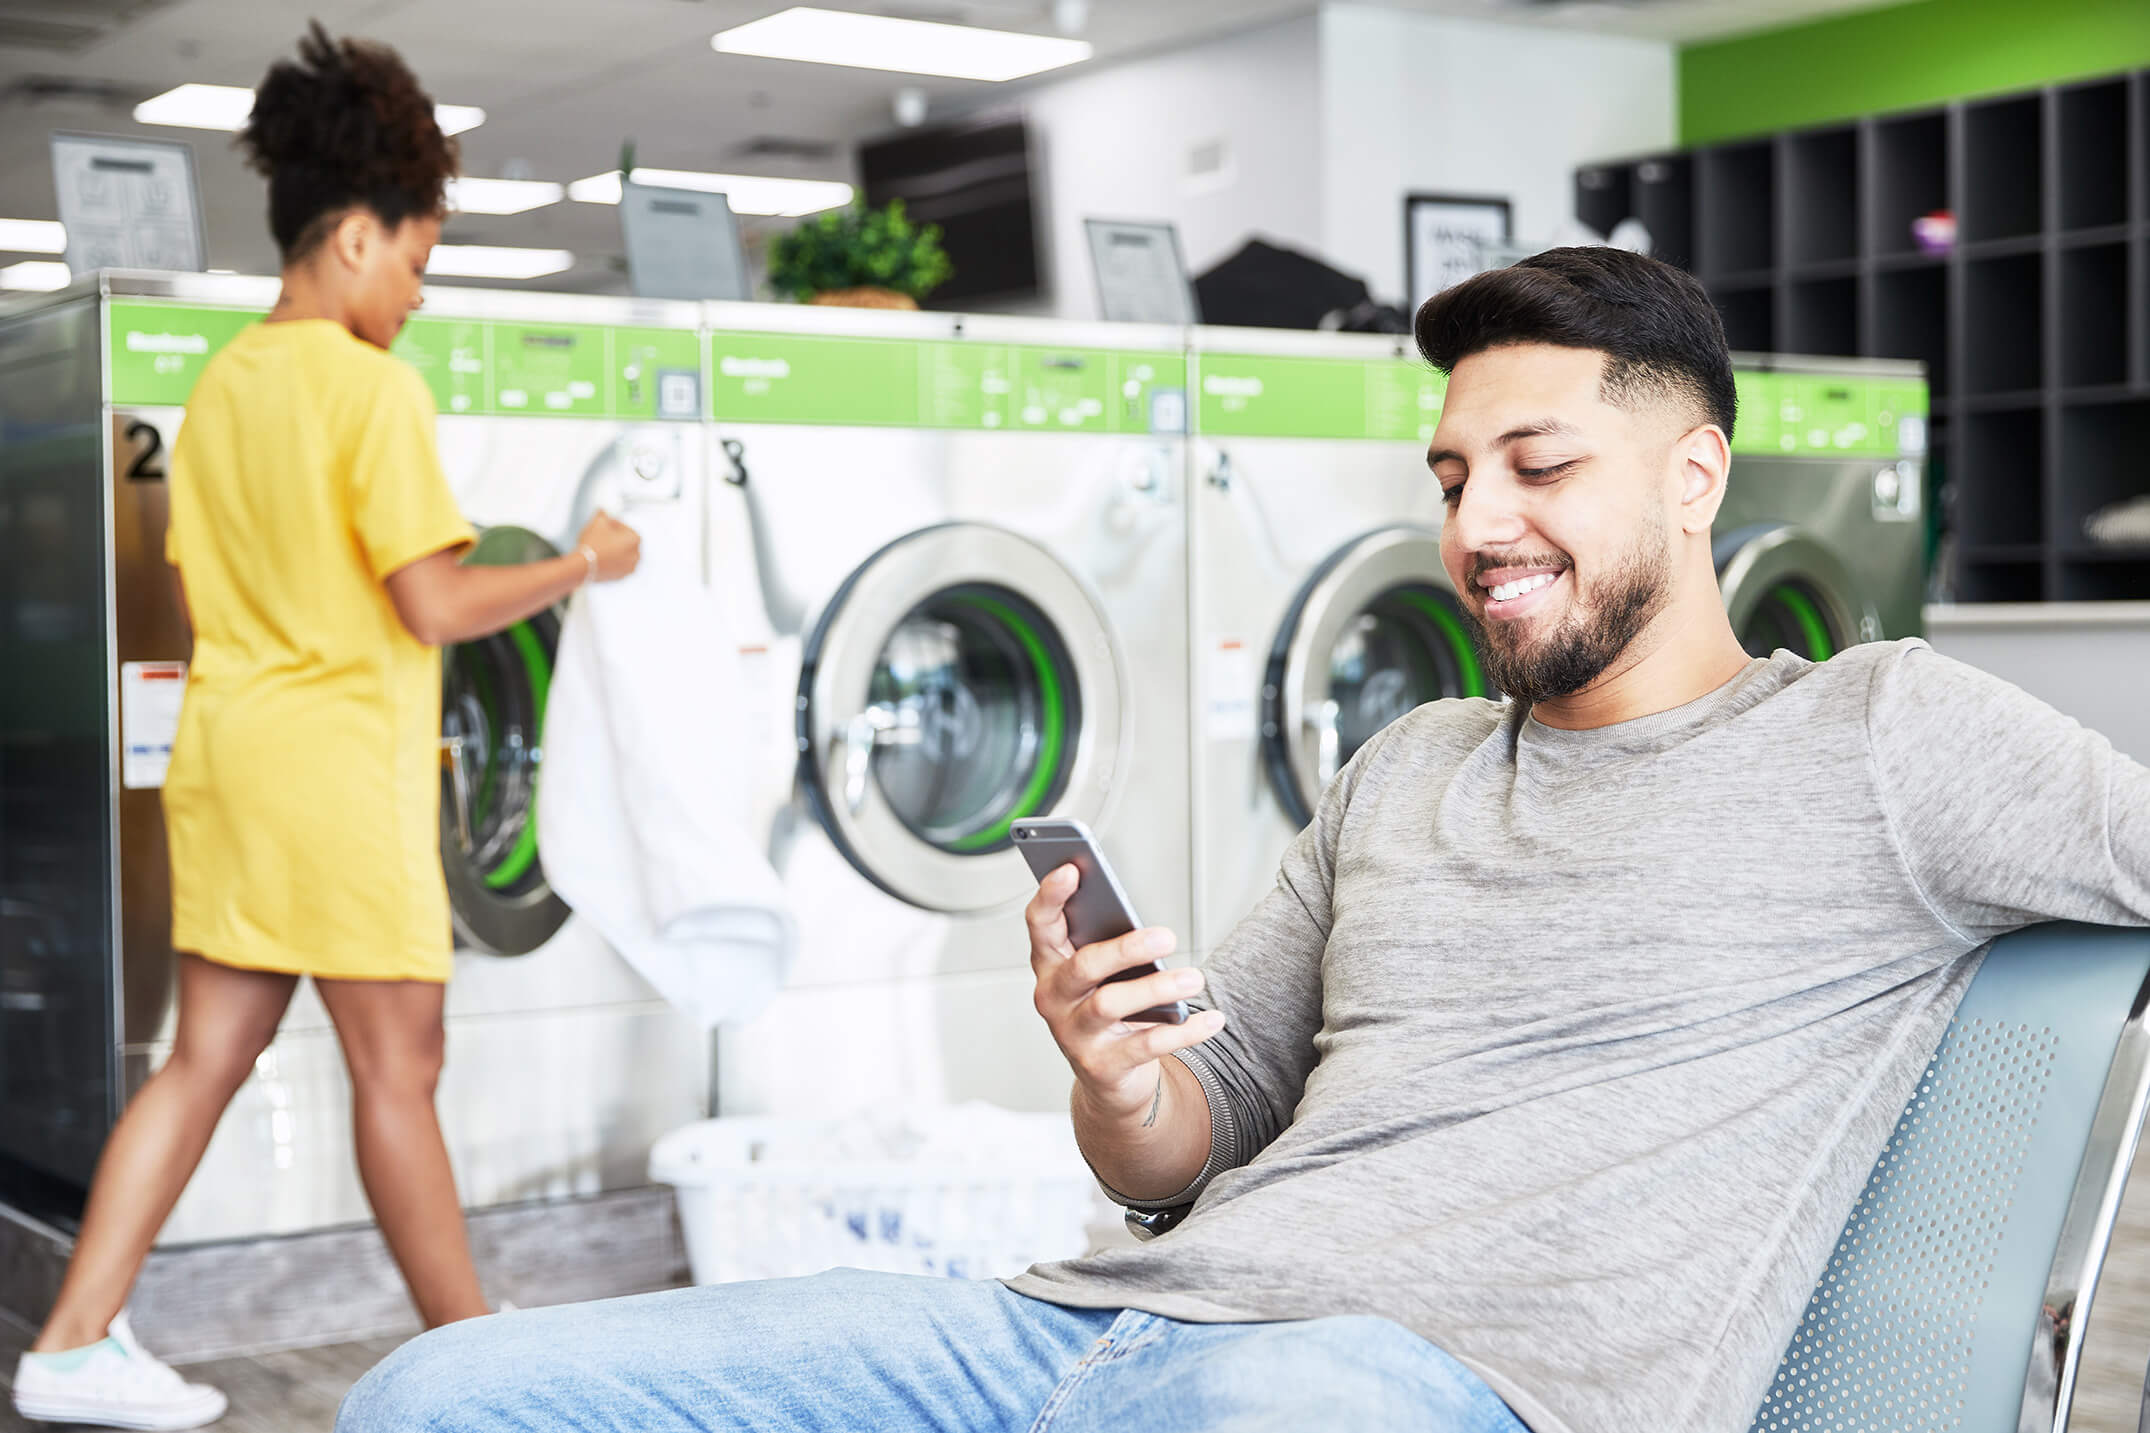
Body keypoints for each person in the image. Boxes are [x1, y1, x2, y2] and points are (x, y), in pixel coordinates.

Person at [336, 247, 2150, 1433]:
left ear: (1694, 478)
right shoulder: (1403, 766)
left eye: (1539, 466)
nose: (1479, 523)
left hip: (1419, 1387)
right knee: (442, 1396)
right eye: (1450, 480)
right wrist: (1113, 1068)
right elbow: (1195, 1134)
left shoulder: (1878, 736)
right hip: (1094, 1323)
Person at [10, 25, 640, 1432]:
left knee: (203, 1057)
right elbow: (432, 602)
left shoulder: (225, 385)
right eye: (415, 261)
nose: (413, 297)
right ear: (354, 238)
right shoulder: (368, 388)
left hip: (230, 762)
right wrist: (582, 561)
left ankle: (69, 1340)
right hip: (337, 774)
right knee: (399, 1066)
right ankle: (479, 1357)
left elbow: (194, 584)